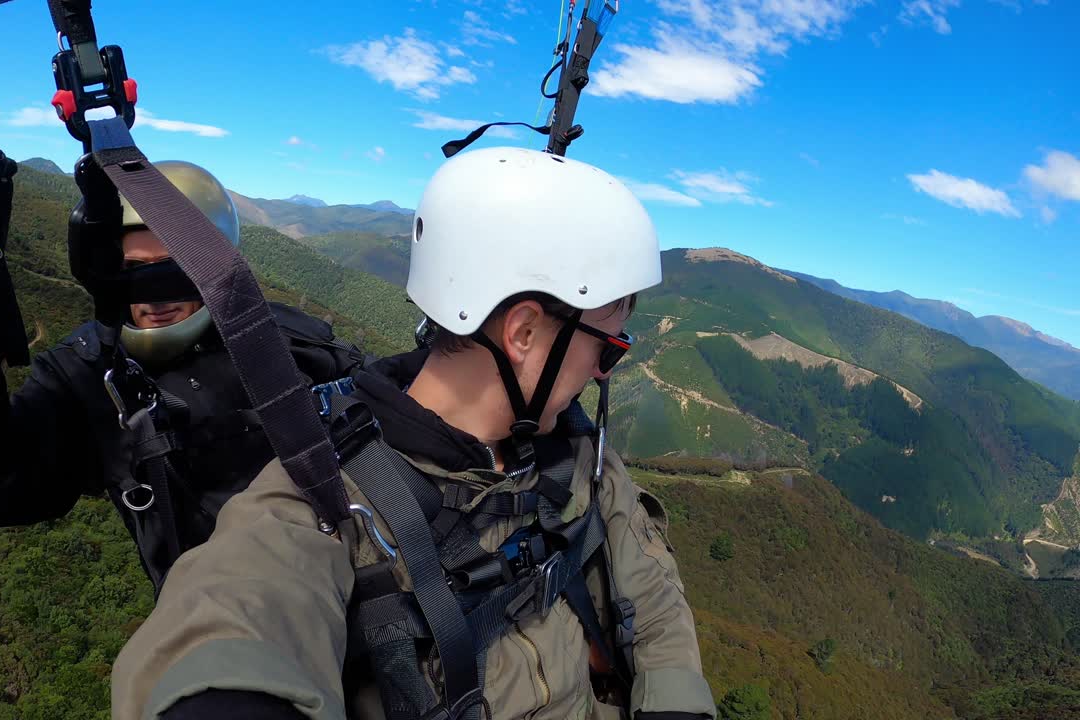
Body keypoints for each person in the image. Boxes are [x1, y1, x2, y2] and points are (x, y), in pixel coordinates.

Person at [111, 146, 716, 720]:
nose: (603, 372)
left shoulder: (576, 452)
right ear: (524, 333)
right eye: (608, 347)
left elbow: (654, 593)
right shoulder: (324, 492)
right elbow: (235, 610)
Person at [0, 148, 366, 590]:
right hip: (219, 623)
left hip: (344, 579)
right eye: (133, 270)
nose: (154, 296)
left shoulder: (279, 338)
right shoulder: (90, 372)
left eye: (175, 270)